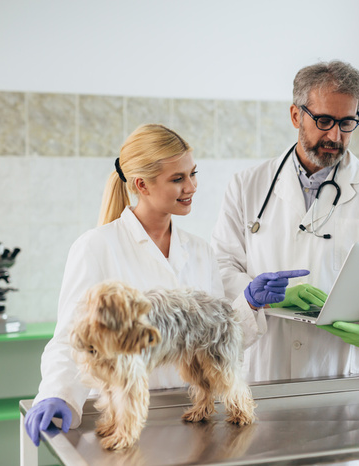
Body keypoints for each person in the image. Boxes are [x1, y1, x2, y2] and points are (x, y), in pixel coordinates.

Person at [24, 124, 305, 446]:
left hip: (194, 424)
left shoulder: (199, 249)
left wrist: (249, 304)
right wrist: (56, 393)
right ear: (142, 185)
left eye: (193, 174)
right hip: (123, 419)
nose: (192, 187)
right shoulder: (96, 246)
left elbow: (213, 335)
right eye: (178, 179)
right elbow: (71, 339)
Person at [211, 60, 359, 384]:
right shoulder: (246, 186)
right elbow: (221, 268)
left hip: (345, 374)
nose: (335, 135)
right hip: (266, 368)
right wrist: (254, 295)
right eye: (324, 120)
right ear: (296, 115)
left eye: (347, 123)